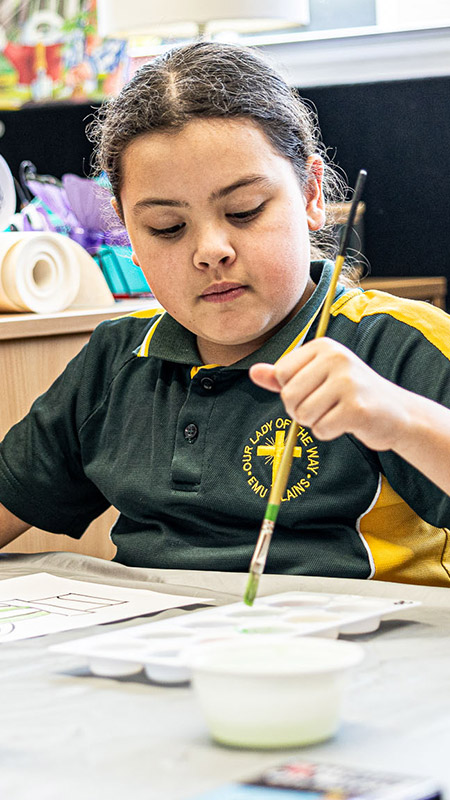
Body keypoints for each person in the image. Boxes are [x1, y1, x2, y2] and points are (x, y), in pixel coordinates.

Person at [0, 42, 449, 586]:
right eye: (167, 226)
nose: (211, 250)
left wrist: (401, 419)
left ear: (310, 194)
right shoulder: (115, 361)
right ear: (128, 234)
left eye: (244, 211)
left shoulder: (398, 346)